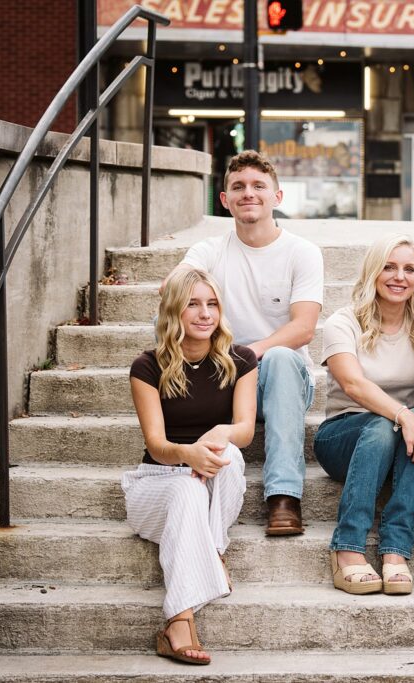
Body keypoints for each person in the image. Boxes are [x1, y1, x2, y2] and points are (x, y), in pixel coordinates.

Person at [167, 150, 323, 536]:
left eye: (258, 186)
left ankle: (284, 498)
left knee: (284, 357)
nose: (248, 193)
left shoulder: (302, 252)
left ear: (277, 197)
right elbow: (172, 289)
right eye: (238, 187)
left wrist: (249, 354)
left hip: (276, 377)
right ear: (224, 200)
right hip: (225, 376)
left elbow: (304, 327)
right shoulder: (210, 250)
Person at [123, 268, 257, 665]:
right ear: (174, 312)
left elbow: (245, 431)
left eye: (212, 303)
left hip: (215, 482)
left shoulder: (241, 360)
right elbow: (157, 445)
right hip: (157, 485)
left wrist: (215, 437)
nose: (204, 313)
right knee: (186, 487)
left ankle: (212, 548)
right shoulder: (147, 367)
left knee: (230, 453)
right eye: (192, 304)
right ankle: (178, 620)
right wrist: (188, 455)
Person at [315, 234, 414, 595]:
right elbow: (352, 384)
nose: (399, 276)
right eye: (389, 266)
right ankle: (347, 545)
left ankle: (396, 550)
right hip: (343, 436)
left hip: (401, 441)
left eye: (409, 269)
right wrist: (405, 415)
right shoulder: (344, 322)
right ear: (373, 272)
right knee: (391, 424)